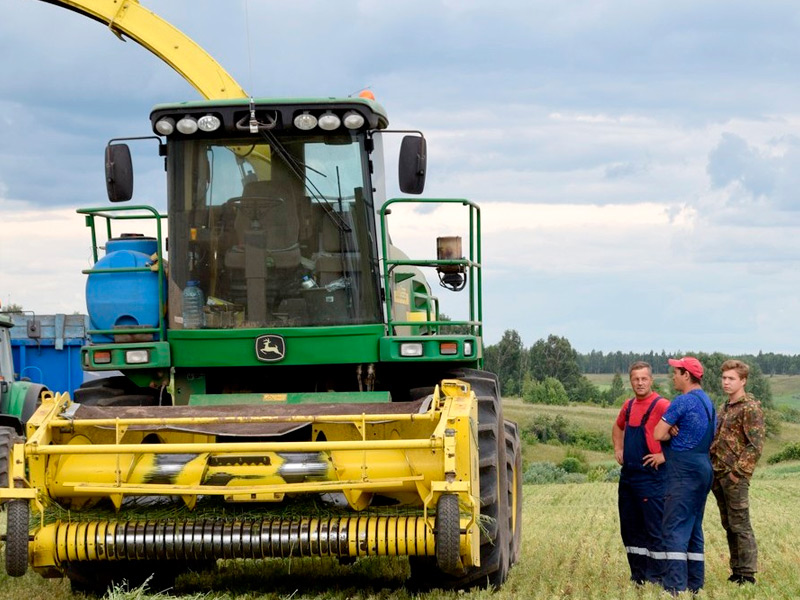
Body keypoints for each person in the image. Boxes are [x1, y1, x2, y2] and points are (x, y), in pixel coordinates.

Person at [653, 356, 716, 596]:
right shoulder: (708, 403)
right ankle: (695, 583)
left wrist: (670, 428)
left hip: (684, 472)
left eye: (676, 372)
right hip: (704, 468)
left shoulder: (683, 401)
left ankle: (675, 586)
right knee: (693, 527)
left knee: (674, 527)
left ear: (687, 375)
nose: (673, 376)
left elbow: (659, 433)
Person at [611, 361, 670, 585]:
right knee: (630, 528)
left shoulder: (662, 405)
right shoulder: (628, 406)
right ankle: (638, 576)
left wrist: (665, 456)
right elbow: (617, 427)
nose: (640, 382)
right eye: (636, 379)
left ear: (651, 380)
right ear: (631, 381)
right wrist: (618, 448)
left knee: (654, 529)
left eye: (644, 378)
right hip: (629, 477)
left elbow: (685, 433)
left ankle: (657, 576)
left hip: (652, 477)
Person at [710, 359, 765, 585]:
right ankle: (737, 571)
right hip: (718, 473)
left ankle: (748, 574)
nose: (726, 382)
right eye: (724, 378)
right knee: (729, 524)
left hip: (734, 476)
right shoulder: (725, 407)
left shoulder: (750, 407)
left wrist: (738, 473)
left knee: (741, 524)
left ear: (743, 381)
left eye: (731, 378)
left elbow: (755, 445)